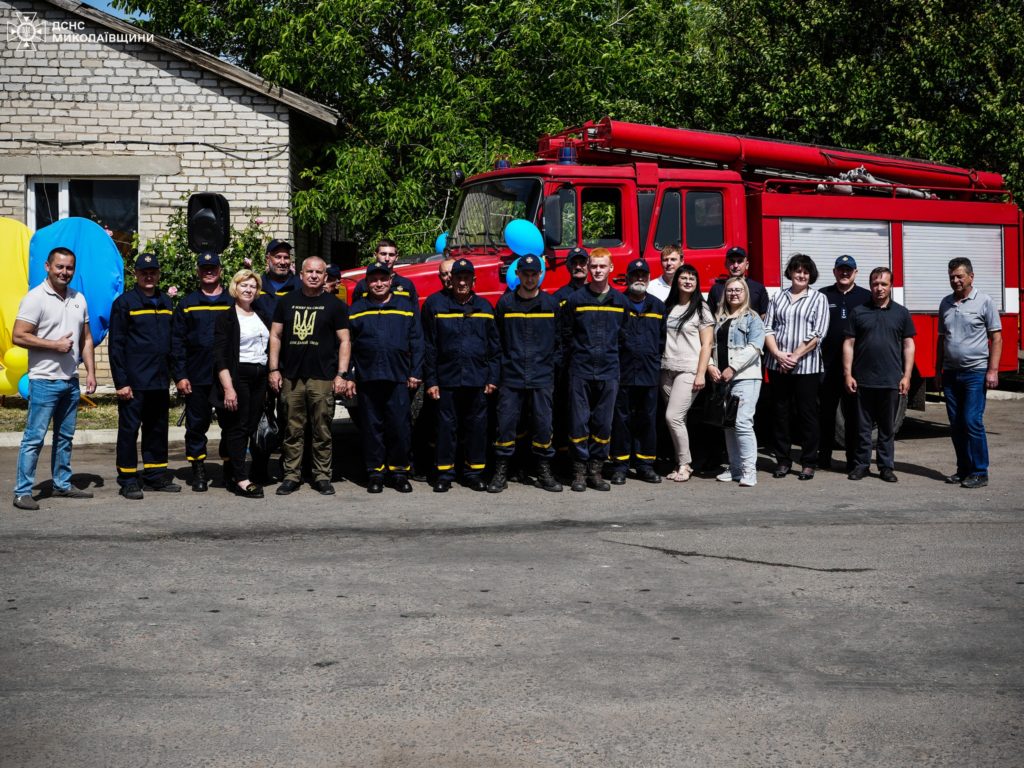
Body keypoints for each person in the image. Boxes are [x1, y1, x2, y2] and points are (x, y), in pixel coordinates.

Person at [11, 247, 97, 510]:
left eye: (69, 267)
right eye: (60, 267)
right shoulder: (35, 298)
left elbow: (86, 339)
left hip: (70, 380)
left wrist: (91, 372)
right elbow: (18, 335)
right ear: (48, 266)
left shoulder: (78, 298)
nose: (65, 272)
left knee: (65, 437)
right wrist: (53, 345)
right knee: (34, 439)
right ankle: (22, 492)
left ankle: (62, 484)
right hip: (43, 381)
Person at [268, 256, 351, 496]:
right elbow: (275, 336)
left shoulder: (334, 305)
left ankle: (322, 476)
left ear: (325, 276)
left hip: (323, 377)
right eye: (309, 272)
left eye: (319, 272)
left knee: (321, 429)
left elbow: (344, 340)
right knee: (292, 430)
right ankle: (291, 476)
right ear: (301, 275)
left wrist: (342, 375)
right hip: (292, 377)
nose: (314, 276)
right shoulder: (287, 302)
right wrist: (274, 369)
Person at [422, 258, 500, 492]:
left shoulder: (485, 308)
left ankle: (473, 473)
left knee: (477, 428)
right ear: (450, 280)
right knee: (446, 429)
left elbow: (495, 348)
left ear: (473, 280)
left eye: (467, 278)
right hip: (447, 380)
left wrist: (493, 378)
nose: (462, 282)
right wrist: (432, 380)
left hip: (478, 380)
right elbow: (430, 347)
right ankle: (445, 474)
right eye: (458, 278)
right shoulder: (437, 306)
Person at [346, 262, 423, 494]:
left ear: (391, 281)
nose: (378, 284)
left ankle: (399, 473)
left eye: (383, 279)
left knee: (399, 427)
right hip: (367, 378)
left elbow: (417, 342)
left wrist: (415, 372)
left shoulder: (405, 306)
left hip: (398, 377)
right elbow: (347, 344)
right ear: (367, 283)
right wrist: (349, 375)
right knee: (372, 428)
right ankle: (375, 473)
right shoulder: (356, 309)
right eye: (373, 280)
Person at [109, 252, 179, 499]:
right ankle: (128, 479)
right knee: (129, 431)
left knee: (157, 429)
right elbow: (116, 345)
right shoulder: (125, 303)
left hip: (159, 380)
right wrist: (121, 382)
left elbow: (172, 344)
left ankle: (155, 476)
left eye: (153, 272)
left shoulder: (166, 302)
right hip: (134, 382)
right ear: (136, 275)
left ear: (158, 274)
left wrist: (177, 375)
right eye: (143, 272)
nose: (149, 276)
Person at [490, 255, 562, 493]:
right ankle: (501, 471)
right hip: (511, 375)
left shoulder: (550, 305)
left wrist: (552, 368)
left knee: (543, 425)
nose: (530, 278)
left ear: (540, 275)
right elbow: (496, 341)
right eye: (525, 274)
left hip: (542, 376)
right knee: (506, 425)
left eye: (534, 274)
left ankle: (543, 471)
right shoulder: (505, 304)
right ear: (518, 275)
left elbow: (559, 342)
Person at [561, 247, 629, 492]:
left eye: (602, 266)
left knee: (603, 424)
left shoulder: (621, 301)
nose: (598, 271)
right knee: (579, 423)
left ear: (611, 268)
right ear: (588, 269)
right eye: (594, 266)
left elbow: (624, 337)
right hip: (580, 370)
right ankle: (578, 471)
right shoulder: (576, 300)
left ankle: (596, 470)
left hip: (609, 371)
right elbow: (565, 336)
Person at [843, 267, 916, 482]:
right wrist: (848, 374)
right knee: (862, 428)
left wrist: (907, 376)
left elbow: (909, 345)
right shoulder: (859, 311)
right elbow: (848, 344)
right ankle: (862, 465)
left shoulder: (901, 313)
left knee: (886, 429)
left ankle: (885, 467)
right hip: (863, 381)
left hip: (891, 380)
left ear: (891, 286)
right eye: (875, 284)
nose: (879, 288)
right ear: (870, 285)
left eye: (884, 284)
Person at [937, 257, 1002, 489]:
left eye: (959, 276)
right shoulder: (945, 303)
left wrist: (992, 370)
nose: (955, 280)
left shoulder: (984, 301)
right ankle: (963, 469)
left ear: (971, 277)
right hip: (951, 373)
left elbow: (996, 338)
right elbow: (941, 340)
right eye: (952, 276)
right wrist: (938, 370)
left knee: (972, 421)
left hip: (975, 372)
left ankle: (979, 471)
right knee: (955, 424)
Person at [763, 253, 830, 480]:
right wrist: (778, 354)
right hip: (777, 364)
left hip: (806, 367)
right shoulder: (777, 297)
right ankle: (783, 460)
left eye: (805, 271)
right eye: (797, 270)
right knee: (780, 414)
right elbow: (767, 328)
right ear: (790, 272)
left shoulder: (818, 298)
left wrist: (794, 357)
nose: (801, 275)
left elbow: (818, 333)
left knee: (807, 414)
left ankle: (809, 461)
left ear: (810, 275)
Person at [171, 252, 233, 492]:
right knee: (196, 426)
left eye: (213, 267)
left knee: (231, 425)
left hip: (226, 377)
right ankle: (198, 469)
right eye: (204, 267)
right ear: (198, 271)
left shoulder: (232, 301)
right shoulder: (187, 303)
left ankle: (229, 468)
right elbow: (177, 342)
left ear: (220, 270)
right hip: (196, 376)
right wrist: (180, 375)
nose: (209, 271)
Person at [212, 270, 272, 498]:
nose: (249, 290)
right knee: (237, 427)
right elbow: (220, 356)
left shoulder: (262, 314)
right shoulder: (226, 317)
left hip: (260, 377)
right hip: (238, 377)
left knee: (250, 426)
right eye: (244, 285)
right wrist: (228, 388)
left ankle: (238, 472)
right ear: (235, 288)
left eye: (253, 286)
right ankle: (241, 478)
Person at [609, 259, 667, 484]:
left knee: (647, 419)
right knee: (620, 420)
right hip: (622, 371)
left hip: (648, 372)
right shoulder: (617, 302)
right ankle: (620, 466)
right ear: (627, 277)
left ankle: (645, 465)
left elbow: (662, 339)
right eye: (635, 275)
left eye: (643, 275)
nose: (639, 279)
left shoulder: (658, 306)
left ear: (649, 278)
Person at [707, 277, 766, 487]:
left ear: (745, 293)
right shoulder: (718, 318)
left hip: (745, 377)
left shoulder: (753, 318)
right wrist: (711, 365)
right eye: (730, 290)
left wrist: (732, 368)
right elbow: (710, 345)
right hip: (723, 379)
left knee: (742, 423)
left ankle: (750, 471)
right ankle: (735, 468)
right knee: (729, 425)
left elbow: (755, 347)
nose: (734, 293)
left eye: (738, 290)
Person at [659, 264, 713, 483]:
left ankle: (685, 464)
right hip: (666, 369)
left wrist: (701, 374)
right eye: (684, 277)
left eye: (692, 278)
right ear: (677, 281)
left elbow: (707, 344)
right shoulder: (668, 306)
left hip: (689, 370)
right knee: (678, 420)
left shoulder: (701, 307)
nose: (688, 281)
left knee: (673, 417)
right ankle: (680, 461)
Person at [818, 255, 871, 471]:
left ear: (856, 273)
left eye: (849, 270)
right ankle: (823, 459)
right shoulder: (823, 295)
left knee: (853, 418)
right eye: (841, 269)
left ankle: (852, 461)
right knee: (825, 416)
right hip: (826, 367)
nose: (845, 273)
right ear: (834, 271)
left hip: (855, 369)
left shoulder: (866, 297)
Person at [551, 246, 589, 469]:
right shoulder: (559, 298)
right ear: (567, 266)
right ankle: (564, 462)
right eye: (574, 263)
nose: (578, 266)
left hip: (589, 364)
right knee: (564, 412)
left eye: (582, 262)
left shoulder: (599, 295)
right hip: (566, 363)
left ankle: (587, 462)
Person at [349, 239, 419, 304]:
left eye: (391, 255)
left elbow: (415, 313)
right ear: (375, 255)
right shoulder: (362, 285)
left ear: (396, 257)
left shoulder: (406, 284)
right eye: (383, 254)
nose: (387, 259)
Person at [707, 246, 769, 317]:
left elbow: (764, 316)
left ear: (747, 265)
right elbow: (709, 316)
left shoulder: (758, 288)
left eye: (740, 261)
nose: (735, 265)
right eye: (732, 261)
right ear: (726, 264)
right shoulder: (716, 289)